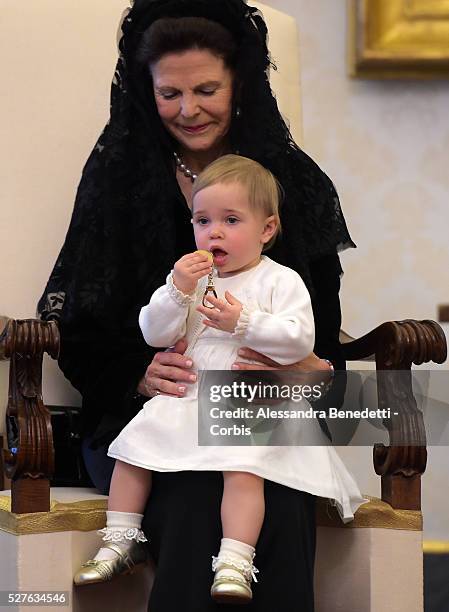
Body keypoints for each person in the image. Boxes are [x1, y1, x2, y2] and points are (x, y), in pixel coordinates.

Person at [39, 1, 358, 610]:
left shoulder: (291, 179)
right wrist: (138, 371)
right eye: (169, 93)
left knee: (276, 485)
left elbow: (319, 329)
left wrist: (313, 372)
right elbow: (80, 323)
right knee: (191, 488)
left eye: (207, 88)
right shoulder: (118, 175)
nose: (188, 109)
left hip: (264, 407)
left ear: (239, 84)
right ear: (146, 91)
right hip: (154, 412)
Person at [73, 155, 365, 602]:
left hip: (249, 399)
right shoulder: (191, 279)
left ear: (267, 230)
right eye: (203, 220)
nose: (214, 232)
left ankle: (234, 559)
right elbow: (155, 332)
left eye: (231, 220)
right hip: (188, 397)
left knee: (241, 468)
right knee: (134, 450)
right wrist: (175, 291)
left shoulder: (279, 281)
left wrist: (243, 322)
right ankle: (122, 537)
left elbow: (298, 339)